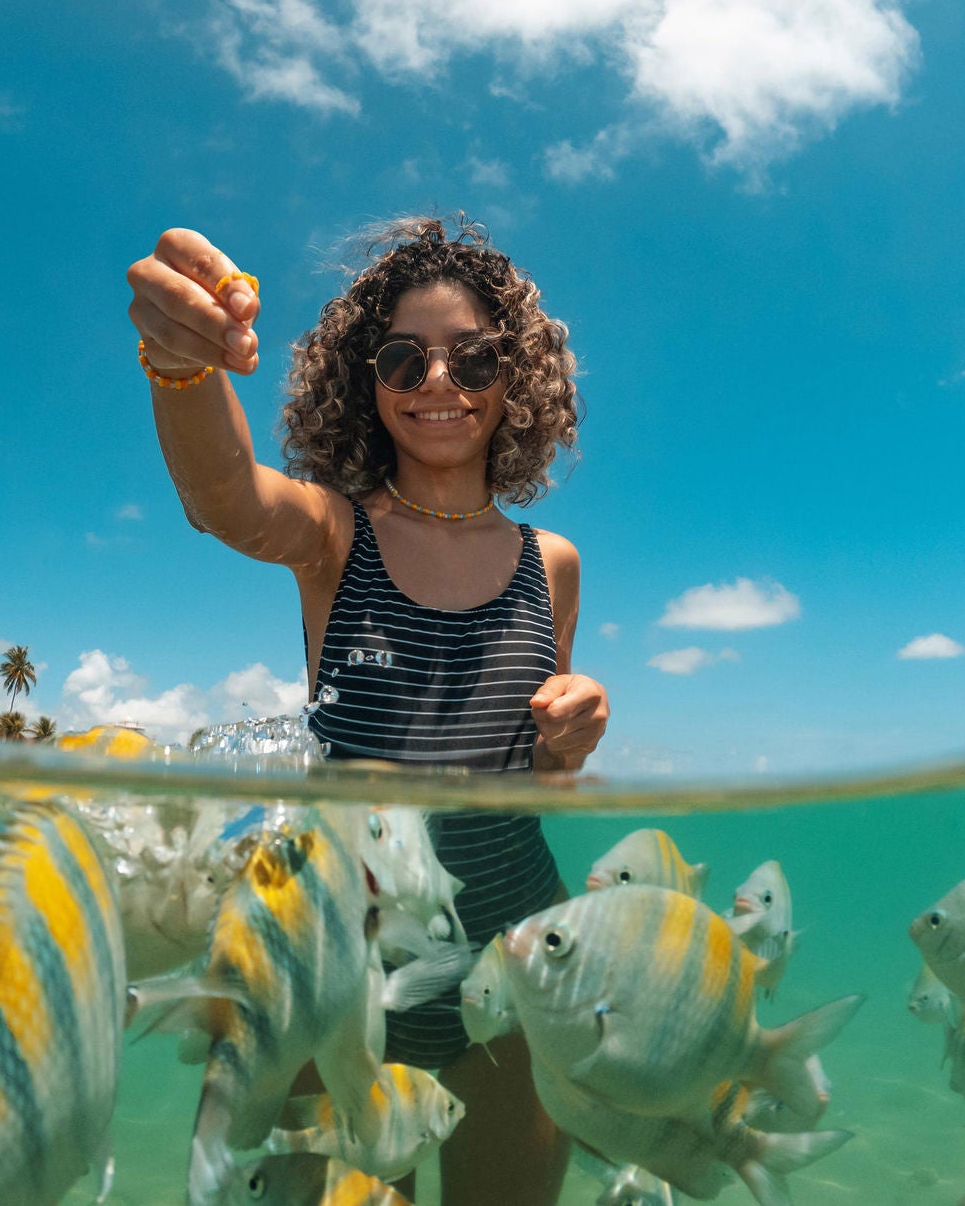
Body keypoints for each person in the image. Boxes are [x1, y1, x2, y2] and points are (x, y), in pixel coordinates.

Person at [126, 216, 610, 1204]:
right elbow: (224, 496)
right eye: (403, 358)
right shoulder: (332, 531)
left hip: (514, 967)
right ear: (365, 380)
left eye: (470, 355)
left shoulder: (549, 564)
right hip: (328, 972)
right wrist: (182, 366)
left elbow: (540, 775)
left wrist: (574, 727)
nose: (438, 381)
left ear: (511, 377)